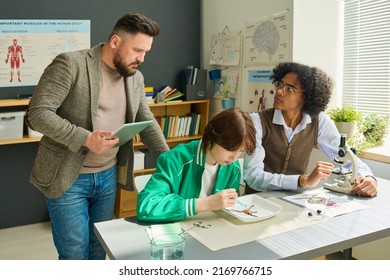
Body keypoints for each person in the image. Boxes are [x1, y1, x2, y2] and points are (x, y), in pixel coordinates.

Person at [26, 13, 169, 260]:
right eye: (137, 50)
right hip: (68, 177)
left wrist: (171, 161)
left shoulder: (135, 77)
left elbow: (146, 123)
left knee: (99, 248)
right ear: (115, 41)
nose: (141, 59)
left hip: (107, 175)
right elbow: (37, 114)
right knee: (74, 254)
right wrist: (85, 138)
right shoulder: (71, 64)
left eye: (146, 52)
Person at [243, 62, 378, 197]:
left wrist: (368, 178)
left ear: (307, 97)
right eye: (280, 84)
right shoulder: (257, 121)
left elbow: (346, 157)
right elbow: (253, 177)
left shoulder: (319, 121)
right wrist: (303, 180)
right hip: (256, 202)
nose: (279, 91)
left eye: (289, 89)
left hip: (293, 202)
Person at [137, 108, 257, 223]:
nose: (235, 158)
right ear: (214, 137)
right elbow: (146, 207)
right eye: (231, 149)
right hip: (178, 233)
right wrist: (205, 204)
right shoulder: (174, 160)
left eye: (241, 151)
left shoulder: (233, 167)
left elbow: (228, 208)